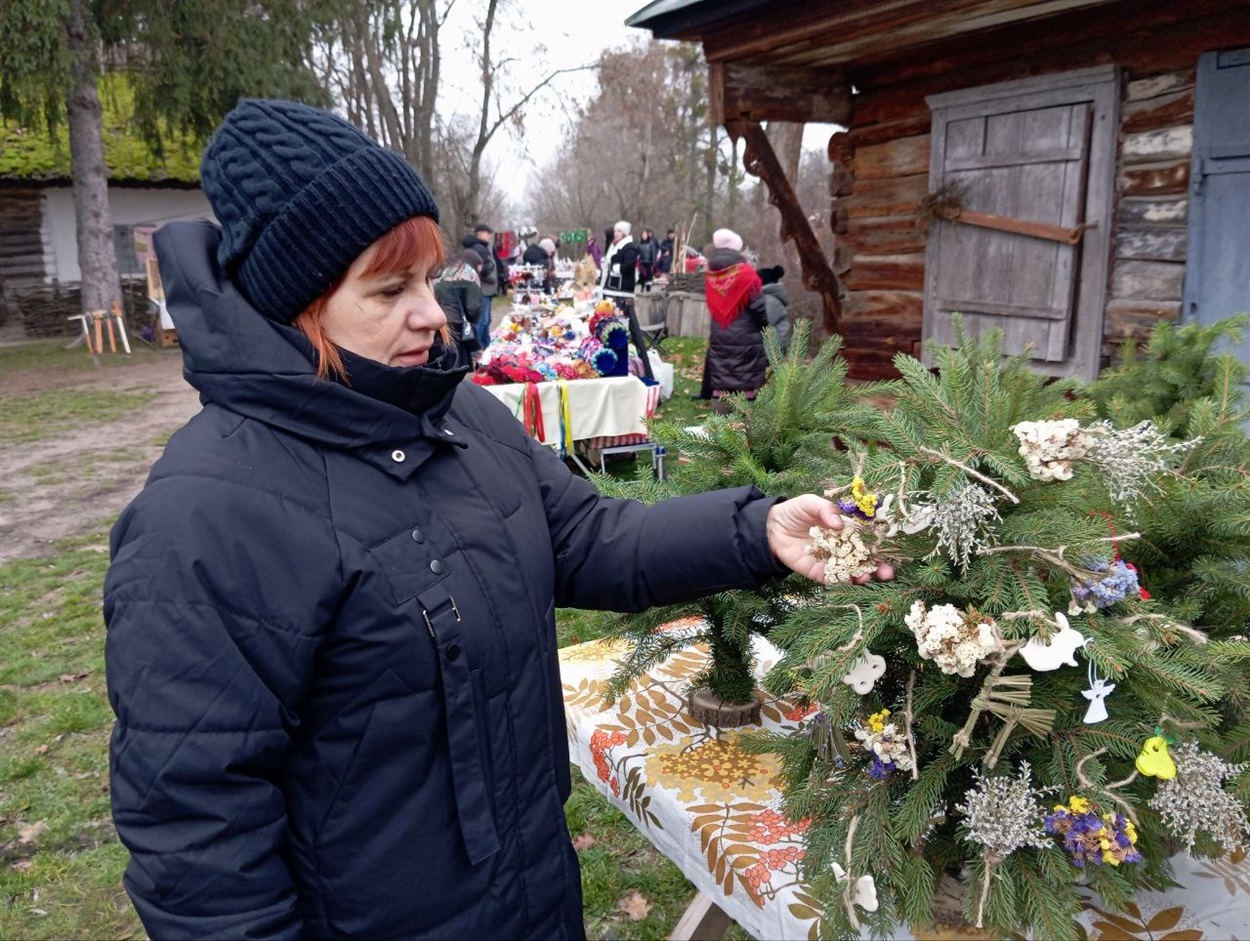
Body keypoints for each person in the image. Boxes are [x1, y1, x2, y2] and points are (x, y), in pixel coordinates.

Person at [103, 99, 892, 941]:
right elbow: (196, 840)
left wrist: (756, 528)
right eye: (389, 289)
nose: (434, 313)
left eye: (428, 280)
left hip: (532, 899)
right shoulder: (204, 516)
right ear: (296, 306)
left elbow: (591, 539)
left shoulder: (460, 420)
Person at [702, 228, 769, 413]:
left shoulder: (711, 274)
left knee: (722, 375)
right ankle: (745, 426)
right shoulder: (747, 274)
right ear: (736, 249)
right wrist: (766, 327)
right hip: (746, 337)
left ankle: (721, 421)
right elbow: (759, 309)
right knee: (746, 380)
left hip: (720, 333)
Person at [599, 220, 652, 379]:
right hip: (612, 291)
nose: (616, 234)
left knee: (630, 330)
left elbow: (629, 265)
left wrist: (617, 270)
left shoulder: (629, 247)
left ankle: (645, 371)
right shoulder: (615, 246)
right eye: (615, 231)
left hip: (623, 294)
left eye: (619, 232)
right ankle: (614, 366)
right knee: (612, 328)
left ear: (625, 234)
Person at [432, 248, 484, 368]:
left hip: (438, 319)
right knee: (458, 359)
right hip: (457, 320)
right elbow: (473, 306)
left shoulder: (442, 270)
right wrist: (473, 320)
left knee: (444, 355)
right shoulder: (468, 274)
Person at [463, 222, 497, 350]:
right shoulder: (479, 248)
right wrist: (493, 278)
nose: (489, 236)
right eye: (488, 234)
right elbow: (482, 269)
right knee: (481, 321)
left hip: (484, 289)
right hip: (482, 289)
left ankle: (486, 344)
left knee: (486, 320)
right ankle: (477, 348)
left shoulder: (480, 247)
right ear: (481, 233)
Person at [758, 264, 791, 355]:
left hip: (773, 350)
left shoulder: (769, 300)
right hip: (774, 347)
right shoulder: (770, 298)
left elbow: (763, 323)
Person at [636, 227, 660, 292]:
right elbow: (637, 253)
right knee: (642, 275)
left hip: (649, 262)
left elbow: (653, 253)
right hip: (642, 262)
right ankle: (642, 286)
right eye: (643, 235)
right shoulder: (639, 245)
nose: (644, 236)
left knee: (649, 275)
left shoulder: (651, 244)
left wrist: (654, 262)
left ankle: (648, 287)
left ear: (647, 236)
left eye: (645, 235)